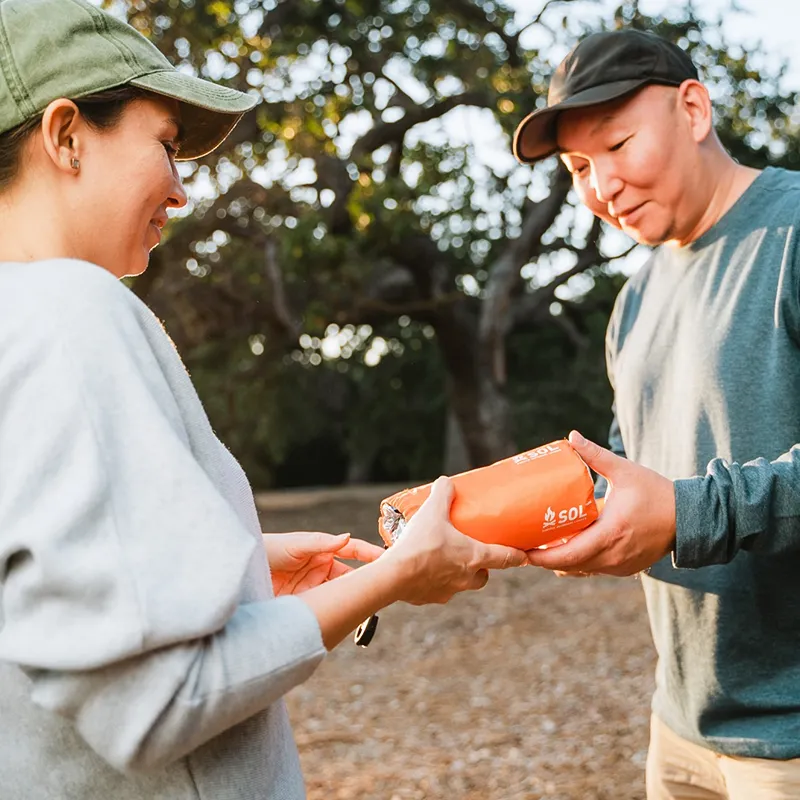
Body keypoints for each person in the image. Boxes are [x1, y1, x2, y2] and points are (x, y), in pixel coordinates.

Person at [0, 1, 529, 798]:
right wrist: (395, 578)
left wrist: (240, 567)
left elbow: (44, 618)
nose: (180, 191)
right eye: (167, 147)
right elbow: (156, 705)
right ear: (67, 135)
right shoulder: (71, 312)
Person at [513, 29, 800, 800]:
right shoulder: (633, 301)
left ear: (695, 109)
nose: (601, 187)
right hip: (678, 727)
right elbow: (629, 467)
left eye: (617, 144)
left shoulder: (795, 232)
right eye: (579, 168)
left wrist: (684, 512)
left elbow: (678, 505)